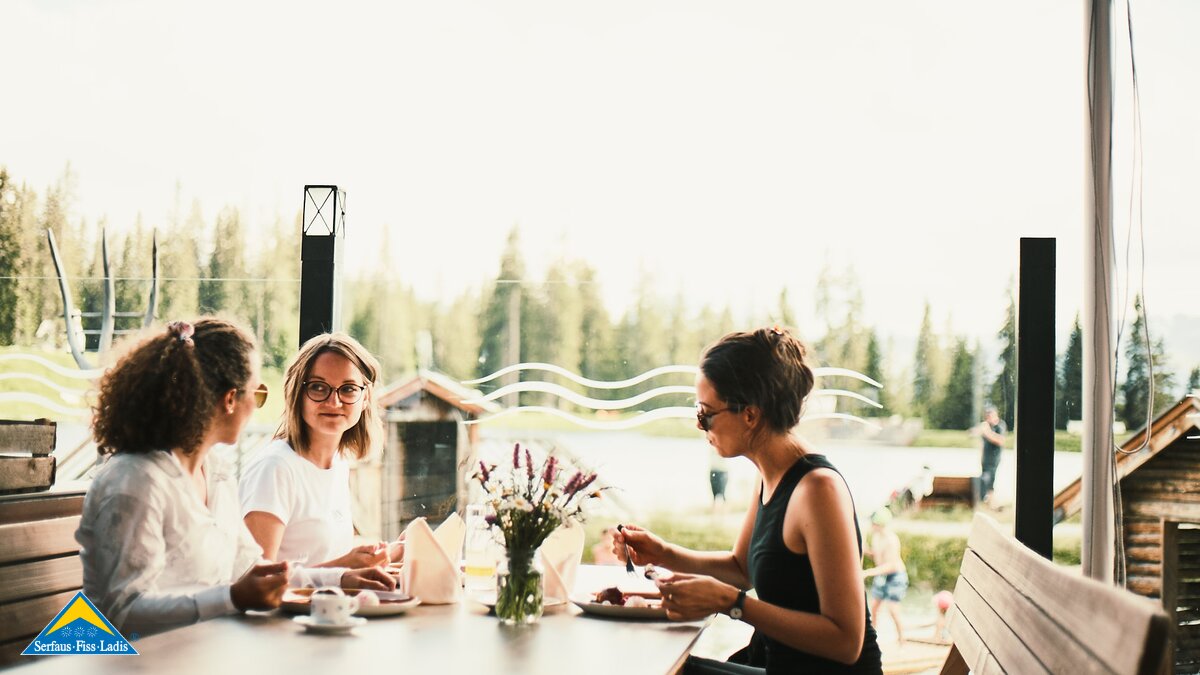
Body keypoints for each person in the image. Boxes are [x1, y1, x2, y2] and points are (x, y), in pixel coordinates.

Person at [615, 327, 882, 674]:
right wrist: (664, 554)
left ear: (750, 415)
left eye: (705, 413)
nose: (700, 425)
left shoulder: (817, 490)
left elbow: (846, 643)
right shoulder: (771, 474)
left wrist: (731, 603)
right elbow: (741, 570)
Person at [76, 319, 290, 636]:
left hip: (200, 653)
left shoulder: (216, 472)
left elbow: (249, 569)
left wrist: (336, 581)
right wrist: (230, 598)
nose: (256, 407)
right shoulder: (136, 481)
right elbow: (120, 612)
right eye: (257, 393)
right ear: (230, 399)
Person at [240, 332, 401, 577]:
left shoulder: (338, 464)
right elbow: (254, 580)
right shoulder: (275, 468)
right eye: (318, 387)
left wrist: (388, 553)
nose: (333, 401)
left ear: (365, 397)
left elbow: (320, 560)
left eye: (347, 389)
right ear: (297, 394)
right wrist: (344, 569)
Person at [862, 507, 908, 643]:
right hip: (881, 576)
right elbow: (878, 556)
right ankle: (872, 637)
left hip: (895, 577)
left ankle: (902, 640)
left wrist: (867, 573)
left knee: (893, 610)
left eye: (873, 523)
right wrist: (865, 551)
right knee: (874, 608)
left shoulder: (891, 540)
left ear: (878, 524)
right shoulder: (876, 537)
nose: (871, 525)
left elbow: (891, 565)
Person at [975, 405, 1007, 507]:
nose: (988, 418)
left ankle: (988, 502)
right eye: (986, 416)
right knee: (985, 479)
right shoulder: (987, 426)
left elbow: (1000, 440)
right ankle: (987, 502)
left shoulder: (1000, 426)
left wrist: (987, 432)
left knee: (988, 479)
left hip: (994, 459)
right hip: (985, 459)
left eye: (990, 415)